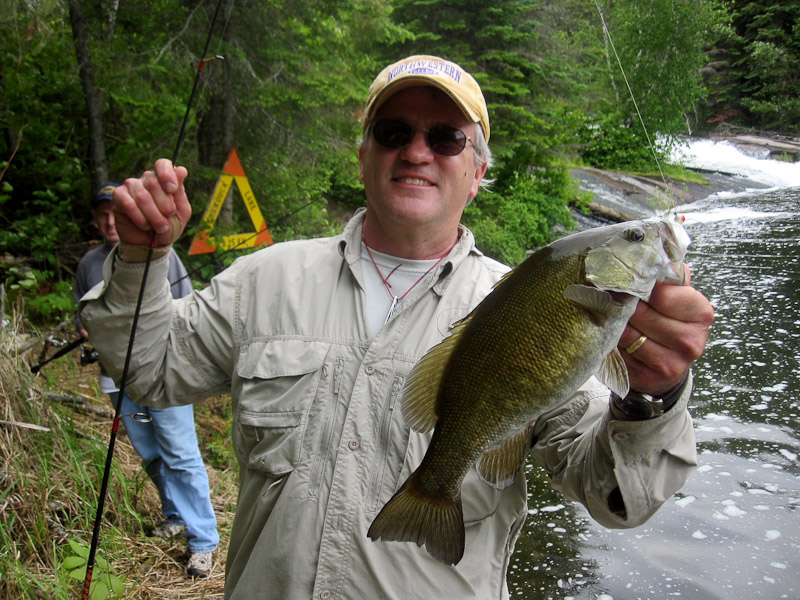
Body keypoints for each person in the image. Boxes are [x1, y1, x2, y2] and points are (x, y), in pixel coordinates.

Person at [78, 56, 714, 599]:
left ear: (477, 172)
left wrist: (654, 395)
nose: (416, 151)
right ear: (363, 157)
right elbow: (147, 370)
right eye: (393, 131)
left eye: (446, 138)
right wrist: (141, 260)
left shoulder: (520, 302)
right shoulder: (265, 280)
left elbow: (616, 495)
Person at [73, 183, 219, 579]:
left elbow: (187, 310)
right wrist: (85, 330)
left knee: (180, 453)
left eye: (114, 213)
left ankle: (203, 540)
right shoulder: (88, 263)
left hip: (166, 376)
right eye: (102, 215)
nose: (109, 222)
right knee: (151, 454)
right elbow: (82, 312)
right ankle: (174, 515)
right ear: (96, 220)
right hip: (116, 380)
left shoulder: (162, 252)